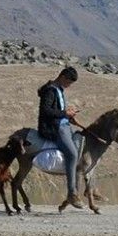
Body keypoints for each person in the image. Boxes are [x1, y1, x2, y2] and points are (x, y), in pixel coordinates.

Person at [37, 66, 84, 209]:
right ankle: (72, 192)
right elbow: (46, 111)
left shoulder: (59, 89)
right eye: (69, 82)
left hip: (63, 125)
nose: (69, 86)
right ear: (63, 77)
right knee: (72, 153)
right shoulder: (50, 90)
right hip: (54, 128)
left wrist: (69, 116)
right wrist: (65, 113)